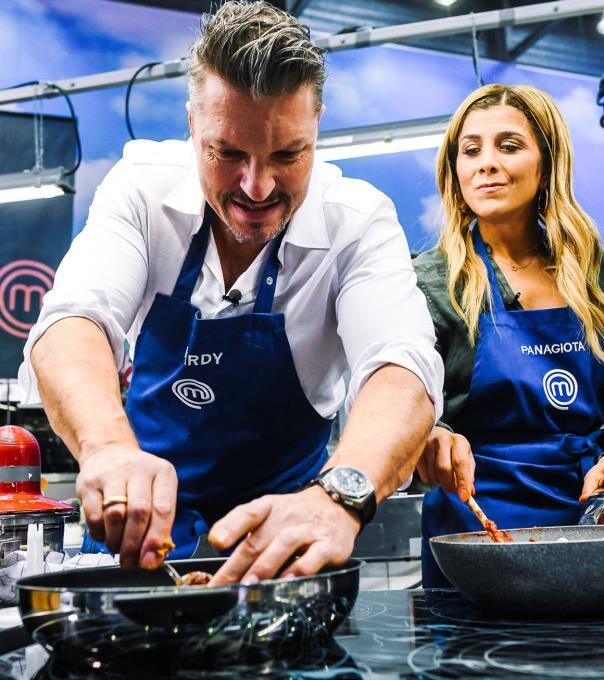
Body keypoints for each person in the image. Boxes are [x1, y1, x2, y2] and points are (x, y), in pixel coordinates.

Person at [19, 1, 443, 584]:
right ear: (193, 125)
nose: (257, 187)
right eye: (228, 153)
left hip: (286, 550)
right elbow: (73, 321)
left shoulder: (357, 221)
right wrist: (107, 448)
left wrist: (339, 497)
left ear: (317, 126)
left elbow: (403, 365)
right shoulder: (142, 191)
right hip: (137, 541)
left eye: (288, 155)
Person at [414, 83, 604, 587]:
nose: (487, 164)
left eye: (509, 146)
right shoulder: (432, 283)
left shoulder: (593, 273)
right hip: (478, 533)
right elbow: (403, 395)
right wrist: (427, 434)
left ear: (548, 162)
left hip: (591, 524)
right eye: (471, 150)